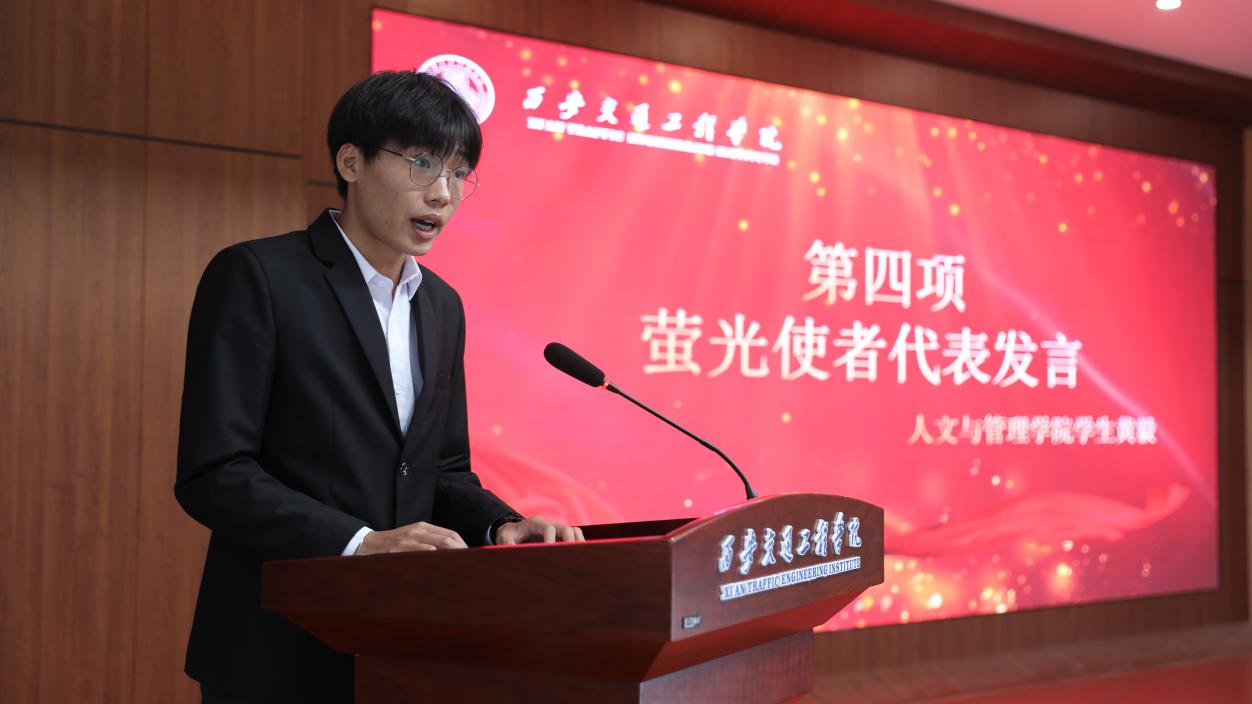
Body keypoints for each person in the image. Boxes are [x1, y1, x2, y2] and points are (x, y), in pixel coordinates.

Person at [174, 70, 584, 704]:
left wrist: (500, 525)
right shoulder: (259, 276)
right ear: (351, 162)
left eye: (459, 173)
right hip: (276, 645)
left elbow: (441, 469)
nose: (443, 193)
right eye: (422, 164)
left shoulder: (441, 306)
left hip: (400, 647)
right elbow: (215, 472)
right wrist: (359, 543)